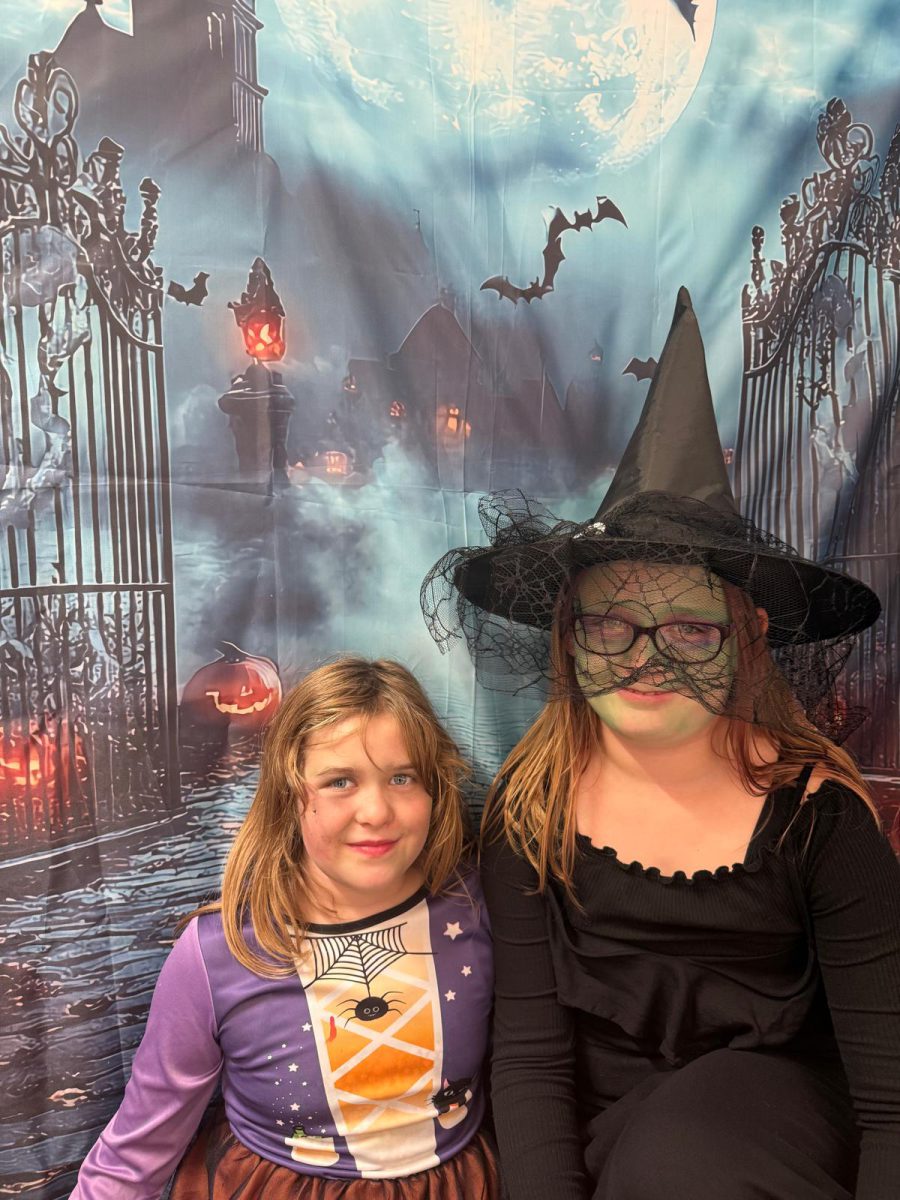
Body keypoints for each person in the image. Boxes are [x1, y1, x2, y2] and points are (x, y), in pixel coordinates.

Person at [420, 289, 900, 1200]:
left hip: (769, 1134)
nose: (648, 659)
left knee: (688, 1149)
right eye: (613, 626)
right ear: (570, 637)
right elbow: (530, 1060)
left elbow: (891, 1098)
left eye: (688, 629)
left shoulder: (817, 819)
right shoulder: (532, 811)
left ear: (747, 637)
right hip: (608, 1139)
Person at [69, 658, 497, 1200]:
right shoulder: (219, 953)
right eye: (340, 781)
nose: (376, 811)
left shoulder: (475, 907)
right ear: (290, 795)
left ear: (434, 789)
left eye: (401, 777)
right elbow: (134, 1155)